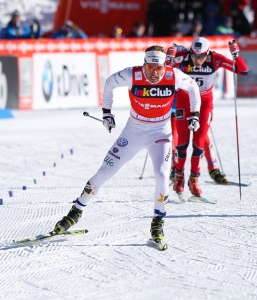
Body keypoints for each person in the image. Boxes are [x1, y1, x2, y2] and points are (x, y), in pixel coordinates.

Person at [52, 46, 201, 245]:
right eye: (150, 68)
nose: (154, 74)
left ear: (164, 65)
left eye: (158, 69)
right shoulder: (132, 74)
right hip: (134, 130)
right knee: (105, 171)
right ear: (144, 64)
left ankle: (158, 221)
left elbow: (193, 88)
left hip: (161, 132)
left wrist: (195, 114)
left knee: (162, 175)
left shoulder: (174, 75)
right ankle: (75, 212)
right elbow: (109, 83)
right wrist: (107, 113)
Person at [168, 37, 249, 197]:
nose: (198, 60)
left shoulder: (215, 58)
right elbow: (163, 70)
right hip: (184, 102)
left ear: (207, 53)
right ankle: (179, 178)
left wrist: (236, 55)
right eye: (195, 56)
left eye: (201, 57)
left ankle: (194, 180)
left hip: (204, 104)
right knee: (182, 143)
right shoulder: (183, 56)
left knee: (198, 143)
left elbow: (243, 70)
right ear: (190, 52)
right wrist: (169, 57)